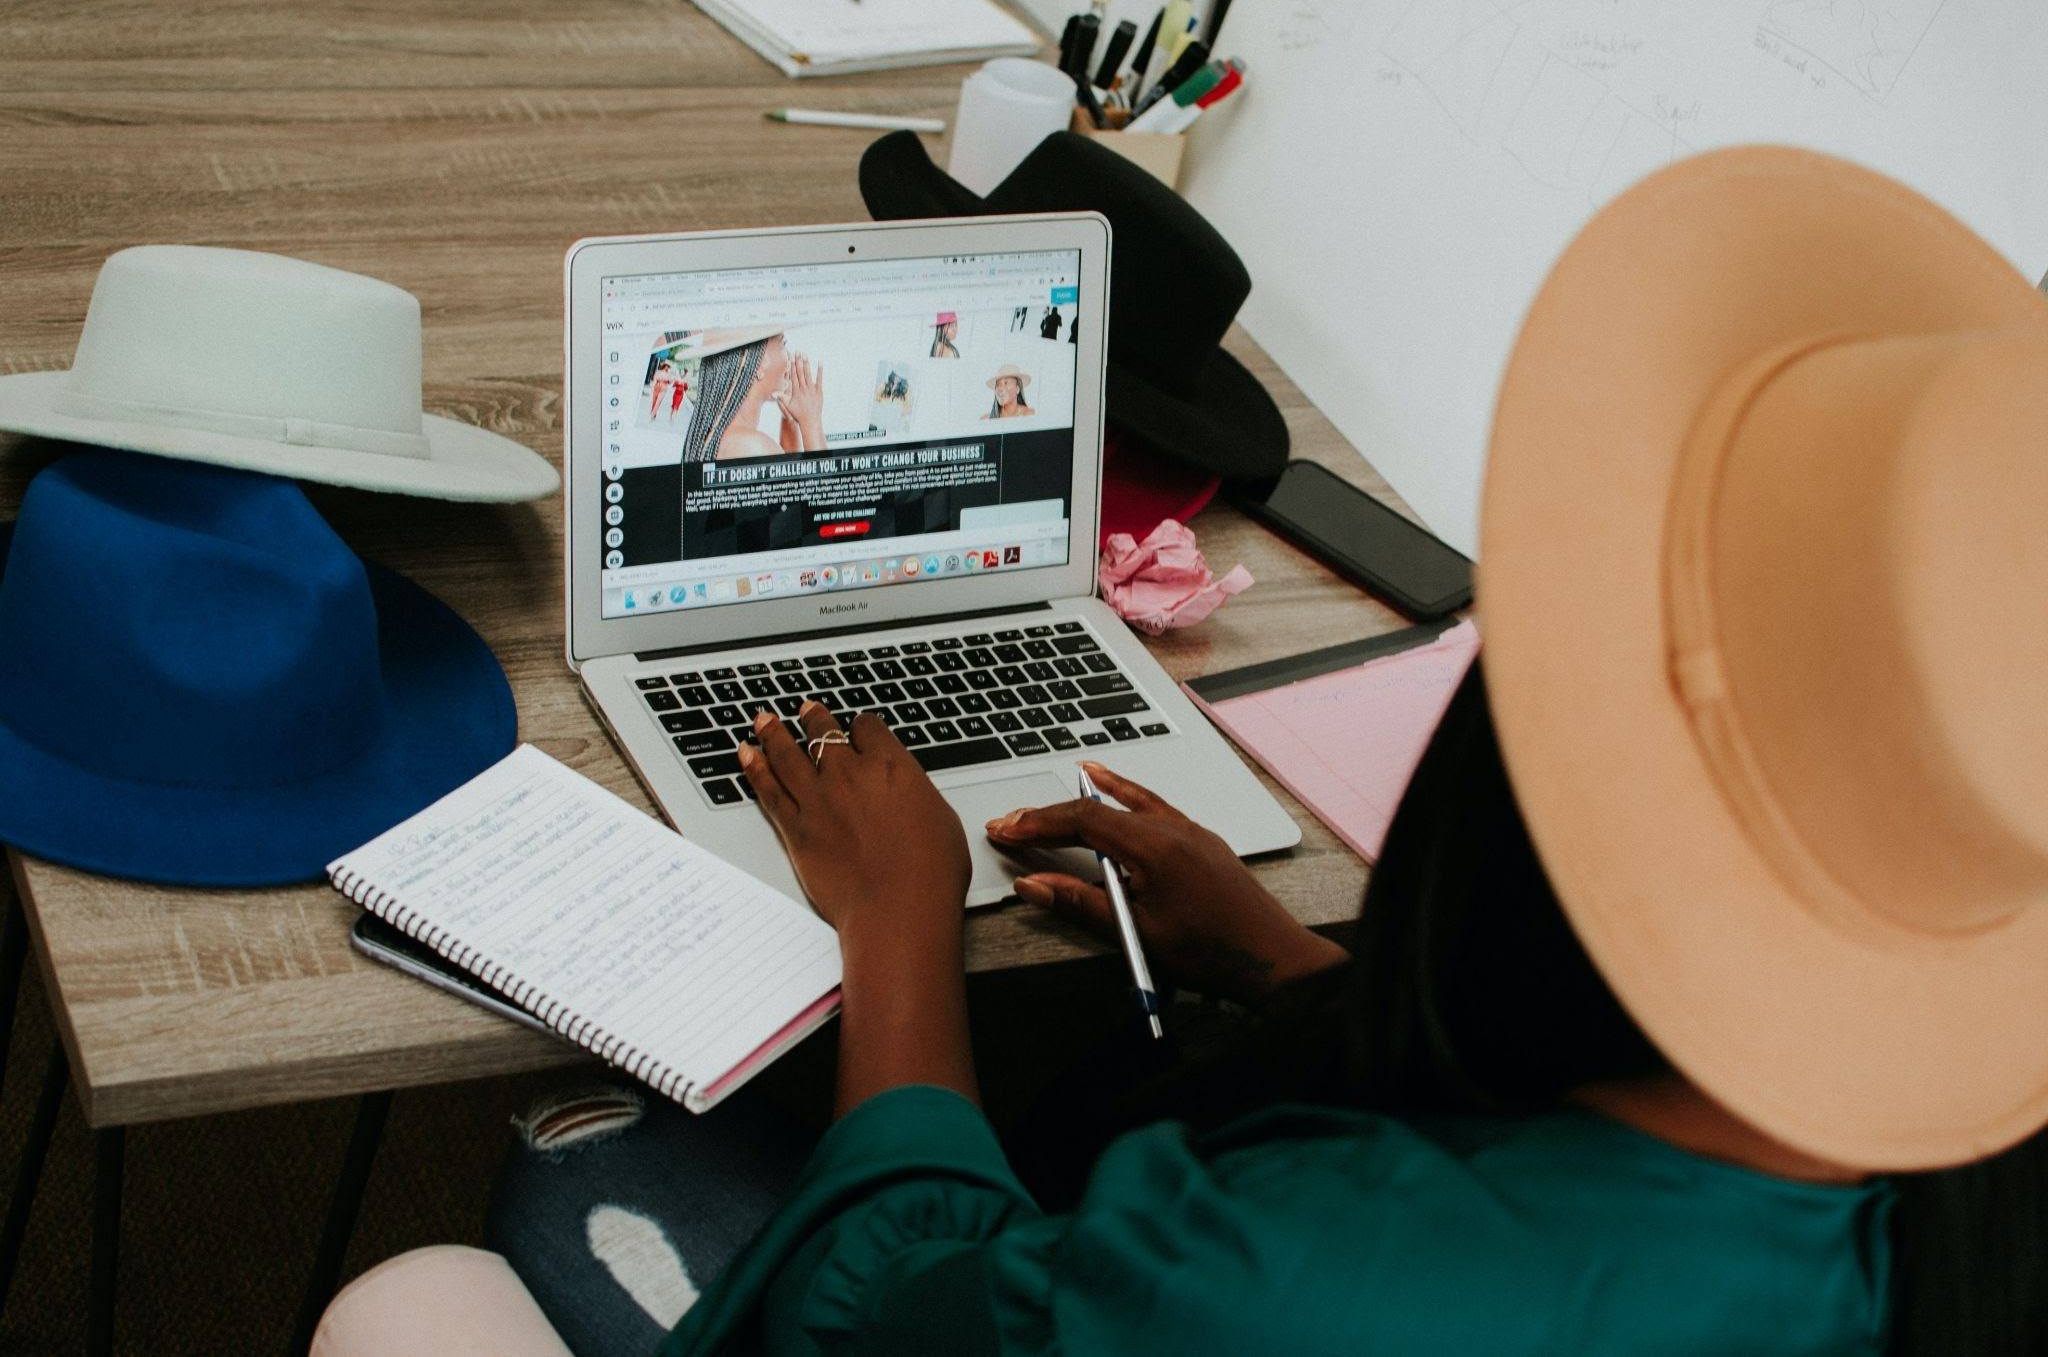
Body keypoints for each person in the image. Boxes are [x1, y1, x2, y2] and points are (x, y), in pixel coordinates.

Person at [486, 148, 2048, 1355]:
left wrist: (901, 928)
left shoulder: (1284, 1279)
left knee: (521, 1209)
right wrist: (1286, 959)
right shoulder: (1948, 1196)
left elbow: (880, 1307)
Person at [680, 330, 823, 461]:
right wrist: (812, 421)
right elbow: (825, 487)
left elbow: (788, 482)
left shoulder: (719, 438)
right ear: (760, 364)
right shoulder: (755, 448)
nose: (790, 356)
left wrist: (790, 421)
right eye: (782, 344)